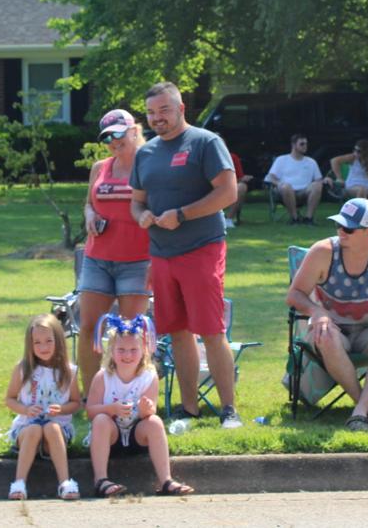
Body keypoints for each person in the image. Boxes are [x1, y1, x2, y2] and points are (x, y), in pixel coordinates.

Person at [130, 81, 242, 428]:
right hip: (162, 254)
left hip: (202, 249)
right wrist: (142, 217)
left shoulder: (205, 143)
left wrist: (183, 214)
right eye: (150, 112)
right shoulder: (145, 153)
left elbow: (228, 193)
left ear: (181, 109)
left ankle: (228, 410)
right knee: (176, 331)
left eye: (164, 110)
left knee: (210, 330)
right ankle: (188, 408)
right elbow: (136, 201)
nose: (157, 118)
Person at [286, 198, 368, 430]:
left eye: (348, 228)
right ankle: (367, 410)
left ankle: (359, 411)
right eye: (338, 225)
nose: (340, 231)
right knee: (324, 333)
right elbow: (295, 294)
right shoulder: (322, 251)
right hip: (334, 329)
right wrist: (316, 311)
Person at [78, 109, 152, 397]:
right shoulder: (100, 167)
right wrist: (89, 216)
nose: (114, 140)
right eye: (108, 136)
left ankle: (131, 396)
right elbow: (89, 203)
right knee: (88, 328)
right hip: (97, 258)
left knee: (130, 333)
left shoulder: (149, 166)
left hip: (136, 261)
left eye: (120, 133)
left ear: (135, 131)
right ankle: (91, 396)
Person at [87, 314, 193, 497]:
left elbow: (150, 411)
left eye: (133, 350)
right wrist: (111, 409)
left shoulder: (149, 377)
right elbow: (90, 411)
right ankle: (100, 480)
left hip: (137, 435)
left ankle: (166, 480)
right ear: (111, 351)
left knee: (155, 422)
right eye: (121, 350)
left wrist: (146, 410)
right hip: (110, 437)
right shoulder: (103, 377)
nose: (127, 355)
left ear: (144, 350)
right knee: (101, 420)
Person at [4, 314, 81, 501]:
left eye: (49, 341)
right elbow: (10, 399)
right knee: (34, 429)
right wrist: (25, 410)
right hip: (27, 428)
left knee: (51, 427)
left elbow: (76, 402)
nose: (43, 347)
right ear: (29, 345)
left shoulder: (68, 371)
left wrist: (61, 410)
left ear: (59, 341)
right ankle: (19, 483)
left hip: (57, 431)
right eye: (37, 343)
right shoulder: (22, 369)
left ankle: (65, 482)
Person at [264, 133, 330, 224]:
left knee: (317, 185)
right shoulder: (281, 160)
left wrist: (325, 180)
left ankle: (308, 218)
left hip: (304, 192)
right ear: (293, 145)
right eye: (302, 144)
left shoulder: (311, 162)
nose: (305, 146)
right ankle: (294, 218)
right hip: (285, 192)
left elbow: (318, 180)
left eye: (306, 144)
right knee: (286, 186)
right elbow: (270, 177)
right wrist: (279, 184)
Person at [220, 136, 252, 230]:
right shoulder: (202, 157)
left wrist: (244, 178)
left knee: (242, 186)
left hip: (226, 189)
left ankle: (228, 220)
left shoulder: (232, 157)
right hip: (207, 189)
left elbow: (239, 178)